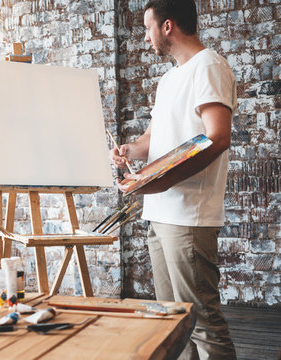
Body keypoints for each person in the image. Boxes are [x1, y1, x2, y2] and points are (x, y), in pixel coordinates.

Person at [109, 0, 238, 359]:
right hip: (160, 214)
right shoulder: (168, 79)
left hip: (188, 217)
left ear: (168, 26)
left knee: (204, 324)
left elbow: (218, 136)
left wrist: (162, 182)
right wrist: (130, 150)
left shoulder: (209, 66)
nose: (146, 37)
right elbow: (153, 138)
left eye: (148, 28)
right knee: (175, 322)